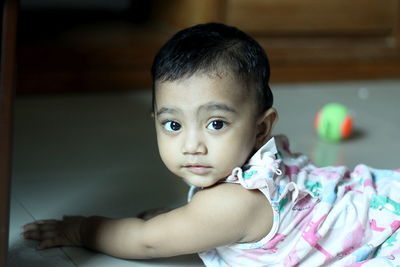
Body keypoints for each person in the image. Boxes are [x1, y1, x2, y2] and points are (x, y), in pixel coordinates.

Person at [22, 23, 400, 266]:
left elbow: (149, 242)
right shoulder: (240, 172)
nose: (192, 145)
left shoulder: (234, 204)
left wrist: (82, 229)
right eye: (172, 124)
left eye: (216, 123)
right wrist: (177, 217)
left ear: (260, 128)